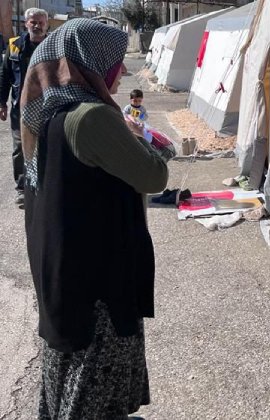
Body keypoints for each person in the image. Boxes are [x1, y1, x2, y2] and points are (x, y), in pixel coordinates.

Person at [21, 19, 171, 419]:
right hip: (97, 284)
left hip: (65, 275)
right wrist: (145, 142)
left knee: (70, 384)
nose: (121, 71)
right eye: (116, 62)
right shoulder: (91, 117)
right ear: (91, 63)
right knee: (93, 396)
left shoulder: (50, 111)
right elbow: (153, 176)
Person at [0, 7, 48, 205]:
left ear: (46, 25)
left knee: (46, 145)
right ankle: (22, 188)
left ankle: (44, 185)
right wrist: (1, 102)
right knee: (20, 147)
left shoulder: (53, 44)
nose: (36, 25)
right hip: (20, 108)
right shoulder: (14, 46)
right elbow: (5, 75)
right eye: (33, 22)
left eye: (40, 22)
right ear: (25, 23)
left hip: (48, 107)